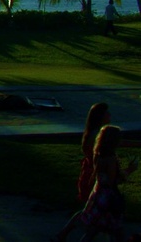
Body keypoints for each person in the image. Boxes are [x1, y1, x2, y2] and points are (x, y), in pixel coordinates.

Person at [53, 102, 112, 241]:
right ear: (101, 116)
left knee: (89, 210)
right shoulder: (97, 135)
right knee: (91, 211)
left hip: (89, 174)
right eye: (107, 113)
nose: (110, 116)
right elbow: (114, 144)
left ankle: (64, 234)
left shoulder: (91, 132)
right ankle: (66, 234)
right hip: (93, 177)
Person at [79, 124, 138, 241]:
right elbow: (113, 181)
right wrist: (130, 170)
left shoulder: (97, 154)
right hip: (108, 199)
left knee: (93, 230)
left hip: (98, 194)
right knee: (116, 230)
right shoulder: (110, 158)